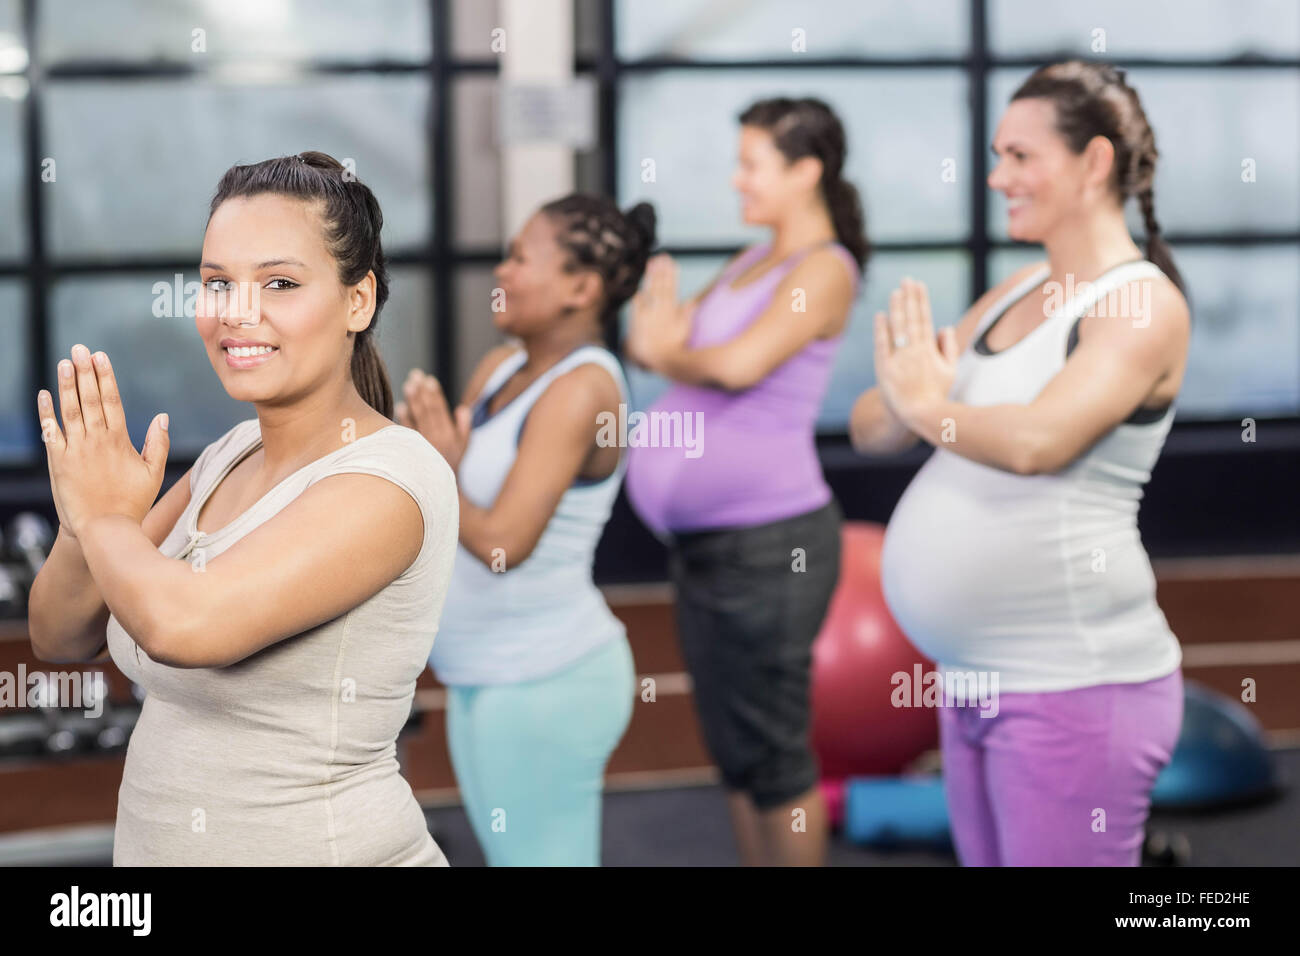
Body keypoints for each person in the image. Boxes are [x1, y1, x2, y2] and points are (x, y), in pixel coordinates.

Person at [27, 151, 457, 866]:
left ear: (357, 300)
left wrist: (108, 520)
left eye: (280, 283)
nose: (237, 314)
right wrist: (80, 523)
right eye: (217, 283)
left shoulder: (392, 477)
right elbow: (59, 635)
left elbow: (184, 624)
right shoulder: (228, 455)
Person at [853, 62, 1189, 866]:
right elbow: (873, 424)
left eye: (1021, 155)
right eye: (997, 154)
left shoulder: (1140, 304)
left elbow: (1039, 442)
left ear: (1095, 162)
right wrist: (912, 399)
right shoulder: (1017, 291)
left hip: (1072, 683)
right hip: (972, 678)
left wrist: (929, 406)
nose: (997, 176)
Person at [624, 97, 866, 866]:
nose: (736, 180)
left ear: (806, 171)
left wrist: (665, 349)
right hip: (705, 546)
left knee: (777, 758)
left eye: (752, 164)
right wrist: (660, 341)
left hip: (773, 545)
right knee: (735, 752)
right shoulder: (749, 260)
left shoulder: (824, 270)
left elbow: (735, 364)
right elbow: (653, 340)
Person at [399, 194, 653, 866]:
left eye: (520, 257)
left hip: (546, 676)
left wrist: (443, 468)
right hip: (487, 672)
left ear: (580, 287)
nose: (501, 272)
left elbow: (503, 545)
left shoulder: (583, 390)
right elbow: (443, 483)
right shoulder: (502, 368)